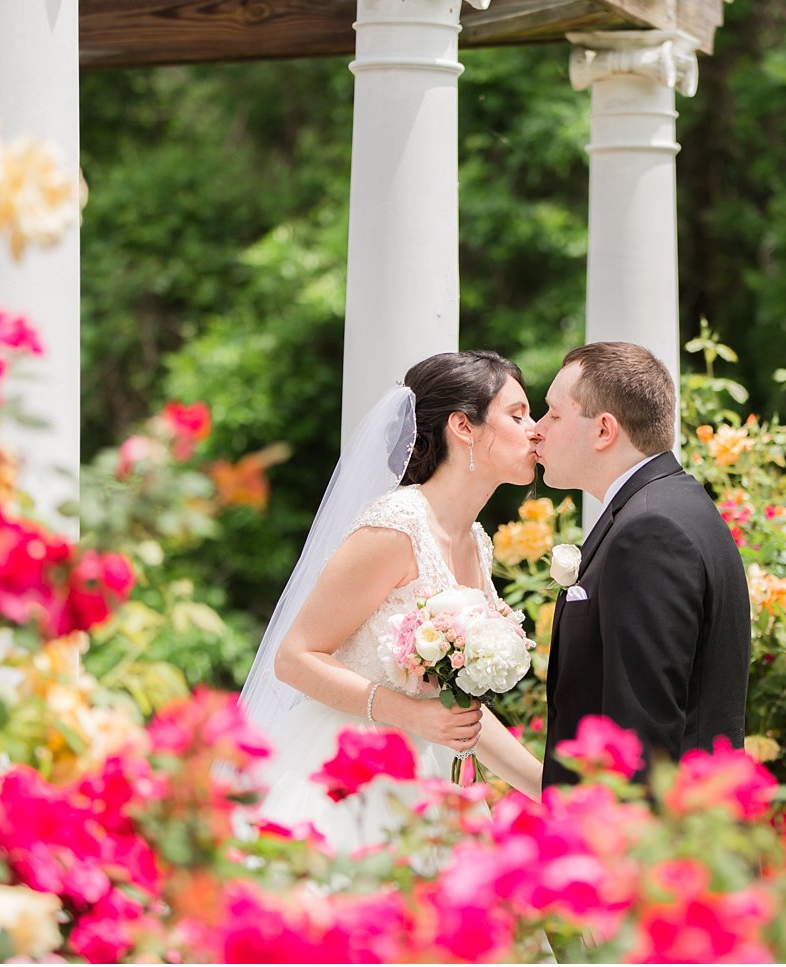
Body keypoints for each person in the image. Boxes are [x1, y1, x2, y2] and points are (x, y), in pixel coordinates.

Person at [241, 350, 546, 855]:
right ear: (463, 428)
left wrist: (549, 792)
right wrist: (409, 714)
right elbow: (294, 657)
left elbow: (459, 712)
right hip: (353, 774)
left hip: (436, 781)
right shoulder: (396, 525)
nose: (534, 430)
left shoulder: (476, 539)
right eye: (517, 415)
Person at [532, 341, 751, 788]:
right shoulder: (672, 506)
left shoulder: (650, 532)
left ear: (603, 430)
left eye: (553, 414)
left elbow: (643, 736)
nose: (537, 429)